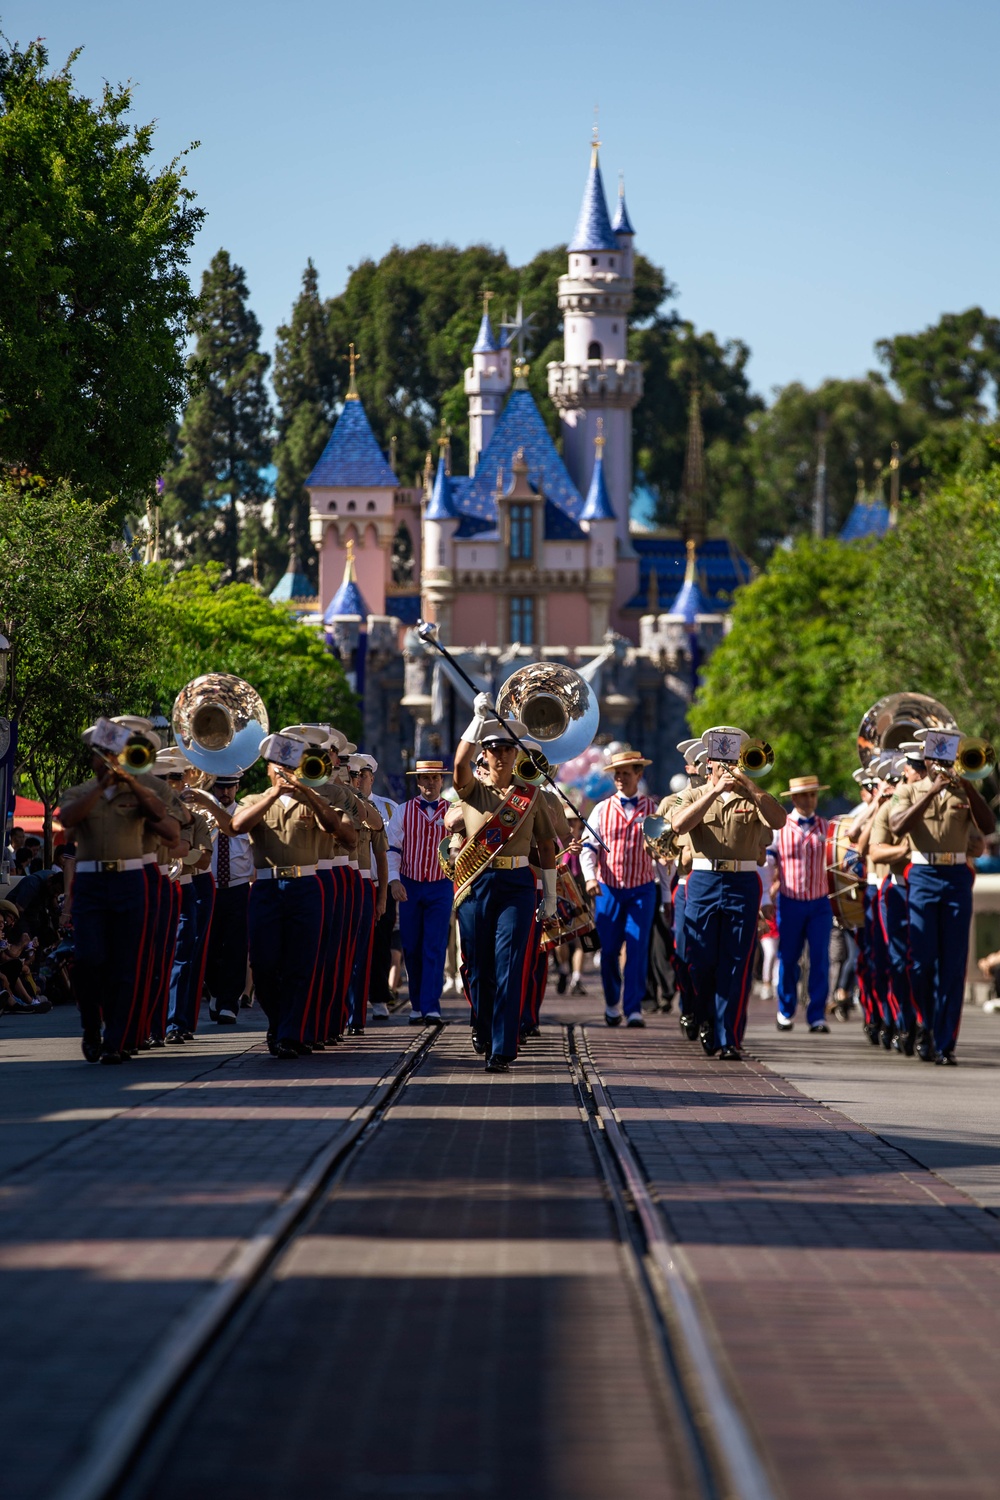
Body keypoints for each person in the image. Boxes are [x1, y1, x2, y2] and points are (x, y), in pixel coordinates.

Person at [57, 721, 180, 1062]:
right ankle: (90, 1026)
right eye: (105, 755)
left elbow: (167, 824)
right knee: (89, 959)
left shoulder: (139, 791)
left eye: (117, 754)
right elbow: (67, 820)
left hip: (129, 881)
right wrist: (102, 787)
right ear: (94, 758)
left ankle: (115, 1039)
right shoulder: (80, 791)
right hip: (91, 882)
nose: (111, 760)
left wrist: (132, 784)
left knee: (126, 964)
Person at [229, 731, 357, 1060]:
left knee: (302, 964)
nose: (286, 770)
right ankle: (279, 1024)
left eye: (291, 764)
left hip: (305, 886)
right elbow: (236, 826)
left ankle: (288, 1032)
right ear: (270, 768)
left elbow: (344, 835)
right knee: (264, 964)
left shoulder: (314, 799)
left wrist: (306, 792)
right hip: (268, 888)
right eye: (280, 765)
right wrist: (274, 795)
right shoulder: (255, 800)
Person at [453, 697, 556, 1072]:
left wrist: (550, 895)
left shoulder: (532, 796)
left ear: (516, 754)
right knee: (479, 968)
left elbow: (546, 845)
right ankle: (482, 1024)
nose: (500, 756)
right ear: (486, 752)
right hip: (476, 884)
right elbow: (459, 765)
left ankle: (502, 1047)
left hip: (516, 884)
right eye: (493, 749)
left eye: (507, 749)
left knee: (510, 966)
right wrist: (475, 721)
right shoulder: (473, 791)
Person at [671, 726, 786, 1060]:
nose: (727, 766)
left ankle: (730, 1038)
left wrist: (749, 785)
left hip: (742, 884)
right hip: (704, 881)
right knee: (698, 961)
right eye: (720, 760)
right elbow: (678, 825)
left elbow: (779, 820)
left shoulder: (752, 797)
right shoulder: (693, 794)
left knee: (736, 964)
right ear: (709, 763)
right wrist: (713, 791)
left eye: (732, 759)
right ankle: (705, 1015)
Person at [888, 726, 993, 1064]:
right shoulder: (909, 789)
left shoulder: (964, 790)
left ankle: (946, 1042)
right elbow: (898, 827)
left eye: (951, 754)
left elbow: (989, 827)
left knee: (952, 964)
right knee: (920, 963)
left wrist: (969, 789)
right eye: (940, 755)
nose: (945, 761)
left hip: (956, 876)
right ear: (929, 757)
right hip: (922, 874)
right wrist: (931, 791)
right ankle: (926, 1024)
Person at [580, 748, 660, 1029]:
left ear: (639, 774)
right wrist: (590, 877)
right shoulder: (602, 809)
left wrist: (665, 881)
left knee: (638, 947)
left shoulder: (653, 810)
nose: (620, 779)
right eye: (617, 774)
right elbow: (588, 848)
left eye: (626, 773)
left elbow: (661, 851)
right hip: (608, 889)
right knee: (610, 949)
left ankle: (633, 1007)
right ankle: (612, 1002)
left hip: (643, 888)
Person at [187, 774, 254, 1024]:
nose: (225, 792)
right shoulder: (202, 814)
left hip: (238, 887)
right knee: (209, 945)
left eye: (229, 787)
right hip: (209, 887)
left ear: (237, 787)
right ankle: (215, 990)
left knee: (236, 947)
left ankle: (229, 1002)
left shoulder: (246, 813)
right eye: (220, 787)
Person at [391, 759, 454, 1025]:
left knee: (435, 945)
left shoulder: (453, 811)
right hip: (410, 884)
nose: (430, 783)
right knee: (412, 945)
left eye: (435, 778)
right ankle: (416, 1004)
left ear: (442, 781)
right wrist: (394, 880)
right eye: (425, 779)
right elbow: (392, 848)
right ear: (418, 782)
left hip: (441, 885)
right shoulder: (403, 811)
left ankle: (430, 1006)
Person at [771, 773, 834, 1035]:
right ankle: (786, 1011)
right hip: (790, 901)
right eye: (804, 795)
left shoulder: (827, 827)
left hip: (820, 902)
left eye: (813, 794)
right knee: (788, 957)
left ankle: (817, 1015)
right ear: (794, 798)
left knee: (820, 959)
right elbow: (768, 864)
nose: (810, 799)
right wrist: (765, 896)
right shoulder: (780, 828)